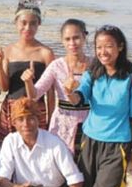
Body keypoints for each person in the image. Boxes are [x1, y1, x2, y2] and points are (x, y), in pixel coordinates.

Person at [65, 25, 132, 187]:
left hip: (118, 144)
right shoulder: (93, 73)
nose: (103, 52)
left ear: (120, 47)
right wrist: (70, 91)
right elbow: (79, 98)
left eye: (108, 46)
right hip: (90, 140)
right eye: (99, 47)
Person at [0, 0, 55, 143]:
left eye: (33, 23)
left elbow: (51, 93)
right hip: (12, 107)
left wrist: (51, 119)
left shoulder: (45, 53)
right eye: (23, 23)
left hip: (35, 109)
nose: (28, 27)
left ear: (39, 24)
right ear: (16, 23)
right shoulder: (8, 51)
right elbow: (4, 88)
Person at [23, 19, 90, 154]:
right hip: (63, 123)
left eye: (76, 38)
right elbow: (35, 95)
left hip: (90, 121)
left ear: (84, 37)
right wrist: (28, 81)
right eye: (67, 39)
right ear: (62, 41)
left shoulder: (95, 65)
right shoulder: (57, 65)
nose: (72, 43)